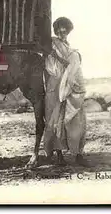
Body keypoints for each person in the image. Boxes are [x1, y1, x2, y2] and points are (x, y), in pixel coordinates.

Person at [42, 17, 88, 166]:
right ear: (56, 31)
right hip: (55, 85)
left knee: (77, 118)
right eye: (60, 31)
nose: (63, 34)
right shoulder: (52, 43)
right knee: (55, 120)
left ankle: (78, 154)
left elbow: (72, 65)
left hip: (69, 84)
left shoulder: (68, 46)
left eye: (65, 31)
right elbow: (52, 62)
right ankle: (59, 154)